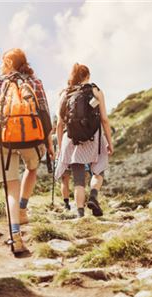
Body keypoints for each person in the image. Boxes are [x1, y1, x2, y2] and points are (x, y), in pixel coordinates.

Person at [0, 48, 52, 256]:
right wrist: (49, 143)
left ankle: (15, 235)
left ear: (7, 63)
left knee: (10, 187)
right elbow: (44, 113)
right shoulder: (35, 82)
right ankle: (23, 208)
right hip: (31, 137)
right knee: (32, 168)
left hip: (3, 138)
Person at [55, 63, 113, 218]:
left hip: (72, 139)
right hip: (94, 138)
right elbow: (105, 120)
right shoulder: (96, 91)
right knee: (98, 170)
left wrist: (61, 148)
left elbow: (59, 124)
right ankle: (93, 195)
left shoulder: (65, 94)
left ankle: (80, 214)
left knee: (79, 179)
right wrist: (109, 143)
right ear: (88, 76)